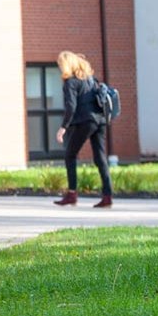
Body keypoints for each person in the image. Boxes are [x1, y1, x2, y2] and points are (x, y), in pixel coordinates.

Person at [53, 51, 114, 208]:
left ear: (66, 65)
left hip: (86, 122)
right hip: (100, 120)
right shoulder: (89, 79)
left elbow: (71, 107)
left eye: (60, 64)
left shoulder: (70, 82)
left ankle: (72, 194)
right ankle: (107, 196)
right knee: (100, 157)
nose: (60, 68)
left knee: (70, 155)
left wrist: (63, 128)